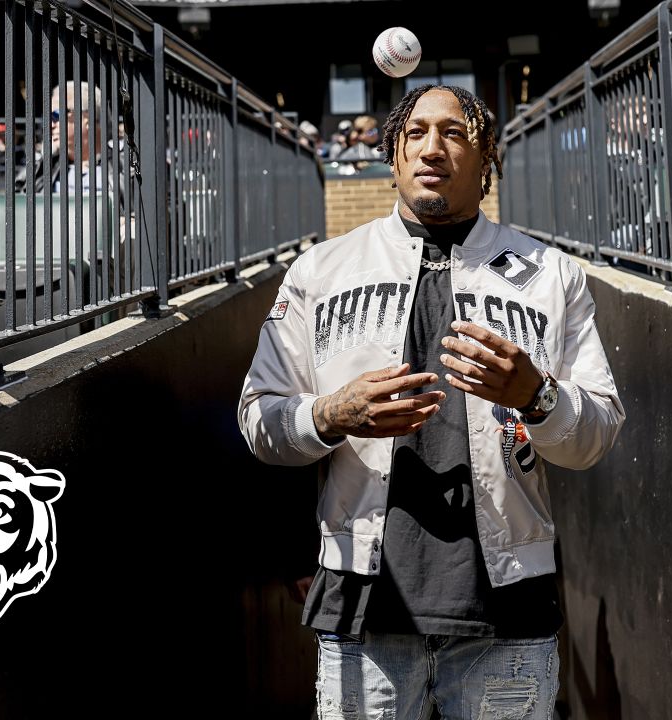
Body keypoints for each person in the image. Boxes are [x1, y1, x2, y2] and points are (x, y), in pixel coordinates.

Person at [238, 84, 625, 719]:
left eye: (454, 133)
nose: (431, 148)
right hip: (363, 607)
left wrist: (538, 396)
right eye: (414, 133)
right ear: (393, 153)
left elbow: (599, 432)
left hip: (508, 609)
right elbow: (259, 419)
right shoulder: (321, 271)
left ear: (487, 158)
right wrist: (332, 414)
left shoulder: (552, 275)